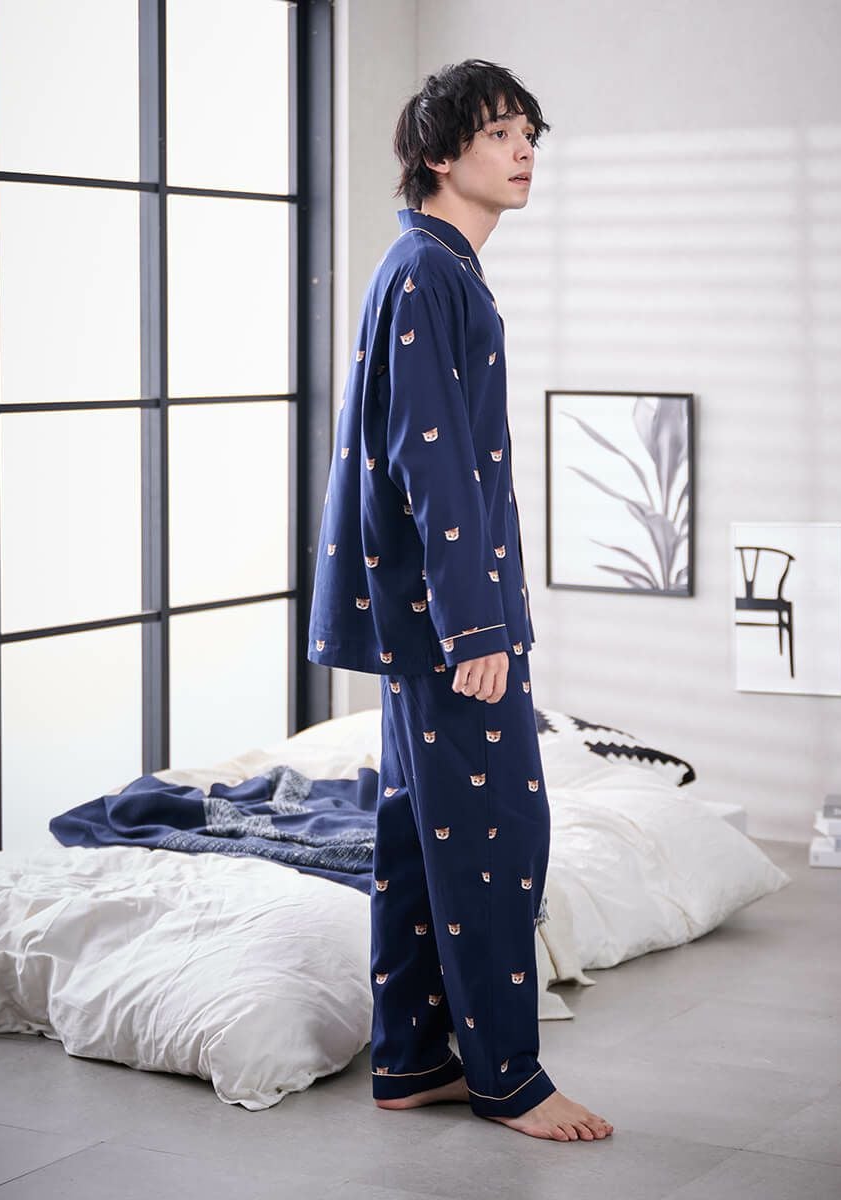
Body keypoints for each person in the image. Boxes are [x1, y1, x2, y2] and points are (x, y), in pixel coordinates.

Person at [307, 58, 612, 1143]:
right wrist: (474, 626)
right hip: (450, 620)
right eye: (498, 133)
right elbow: (427, 461)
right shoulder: (429, 272)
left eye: (530, 132)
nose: (524, 150)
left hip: (430, 612)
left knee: (419, 832)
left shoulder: (433, 268)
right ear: (439, 155)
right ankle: (508, 1079)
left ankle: (412, 1060)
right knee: (496, 833)